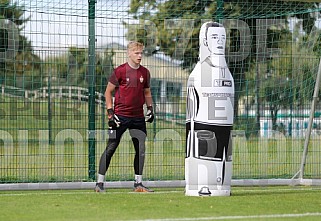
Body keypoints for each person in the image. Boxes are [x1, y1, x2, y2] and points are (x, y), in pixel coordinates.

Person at [95, 41, 155, 193]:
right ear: (129, 53)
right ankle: (99, 184)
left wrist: (150, 109)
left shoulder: (145, 73)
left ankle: (138, 184)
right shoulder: (120, 71)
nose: (139, 56)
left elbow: (147, 93)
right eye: (136, 53)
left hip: (138, 118)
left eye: (141, 53)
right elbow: (107, 92)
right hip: (119, 118)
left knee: (140, 149)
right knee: (110, 147)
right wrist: (110, 113)